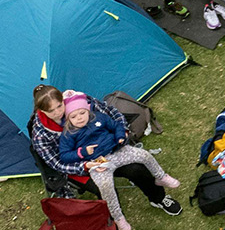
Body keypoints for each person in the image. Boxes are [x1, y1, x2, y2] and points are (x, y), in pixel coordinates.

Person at [27, 85, 178, 214]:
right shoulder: (40, 134)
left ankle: (158, 198)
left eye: (59, 106)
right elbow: (57, 164)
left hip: (107, 149)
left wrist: (123, 131)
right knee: (103, 188)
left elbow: (111, 112)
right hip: (79, 165)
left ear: (62, 99)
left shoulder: (78, 102)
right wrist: (85, 166)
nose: (58, 112)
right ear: (40, 111)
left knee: (137, 169)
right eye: (51, 111)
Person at [55, 91, 180, 230]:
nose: (79, 118)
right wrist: (82, 152)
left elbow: (116, 126)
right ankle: (119, 218)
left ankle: (161, 177)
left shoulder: (99, 118)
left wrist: (120, 136)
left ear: (88, 110)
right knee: (105, 187)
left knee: (144, 155)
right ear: (68, 118)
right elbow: (64, 156)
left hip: (116, 151)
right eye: (73, 116)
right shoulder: (68, 134)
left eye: (82, 113)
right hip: (98, 163)